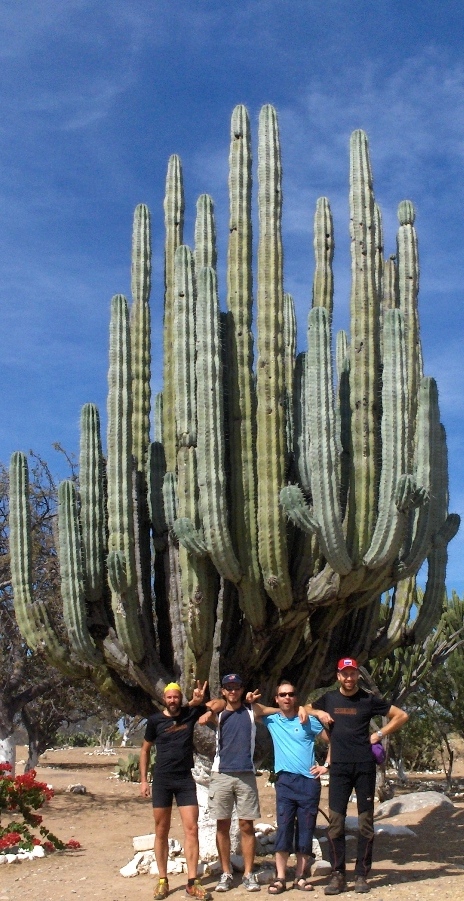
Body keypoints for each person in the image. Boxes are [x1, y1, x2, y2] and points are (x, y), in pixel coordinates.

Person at [311, 658, 409, 895]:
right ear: (338, 676)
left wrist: (380, 733)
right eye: (345, 674)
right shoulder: (330, 699)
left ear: (358, 676)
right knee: (335, 823)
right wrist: (320, 712)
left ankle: (362, 875)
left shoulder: (368, 699)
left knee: (366, 824)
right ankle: (338, 874)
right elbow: (304, 709)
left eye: (353, 673)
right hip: (339, 769)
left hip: (364, 767)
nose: (349, 678)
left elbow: (401, 715)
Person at [140, 680, 223, 901]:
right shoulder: (154, 721)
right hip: (162, 781)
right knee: (161, 830)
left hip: (185, 779)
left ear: (180, 698)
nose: (173, 700)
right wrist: (143, 780)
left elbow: (221, 703)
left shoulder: (189, 713)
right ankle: (162, 880)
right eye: (169, 697)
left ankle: (192, 882)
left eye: (176, 697)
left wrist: (200, 701)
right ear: (164, 699)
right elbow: (145, 750)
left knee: (192, 828)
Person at [249, 680, 329, 894]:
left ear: (296, 697)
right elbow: (254, 710)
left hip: (309, 782)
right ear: (276, 698)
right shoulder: (273, 720)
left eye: (291, 694)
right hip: (285, 782)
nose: (287, 698)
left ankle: (301, 877)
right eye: (282, 695)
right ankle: (281, 877)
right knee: (284, 828)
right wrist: (288, 708)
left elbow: (333, 740)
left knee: (306, 829)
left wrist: (326, 766)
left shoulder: (308, 721)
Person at [206, 674, 262, 893]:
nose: (233, 691)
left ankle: (248, 874)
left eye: (236, 687)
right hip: (221, 774)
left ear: (242, 689)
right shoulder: (218, 715)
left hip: (246, 774)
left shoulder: (250, 712)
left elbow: (273, 710)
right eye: (228, 688)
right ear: (223, 690)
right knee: (222, 825)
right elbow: (209, 706)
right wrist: (216, 706)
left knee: (247, 825)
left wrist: (252, 700)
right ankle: (226, 872)